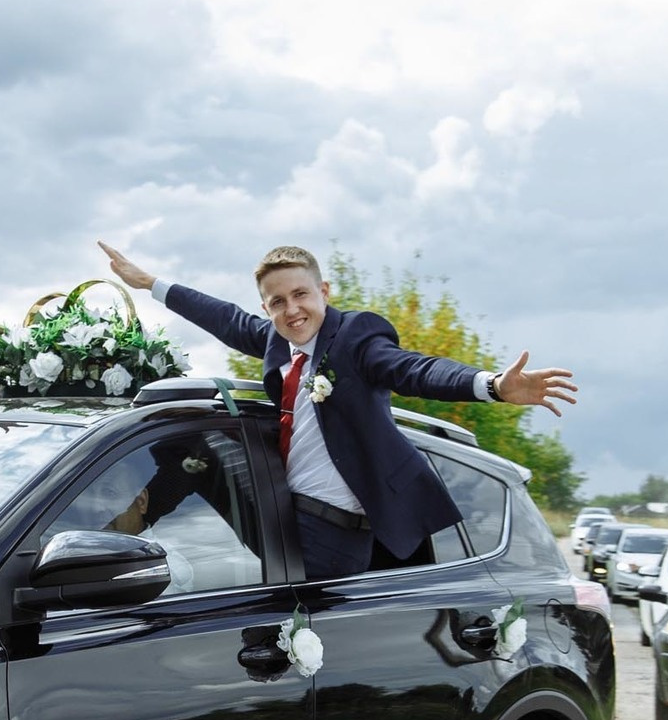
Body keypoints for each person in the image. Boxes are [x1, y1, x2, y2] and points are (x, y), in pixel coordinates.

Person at [98, 240, 577, 579]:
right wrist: (149, 283)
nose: (291, 310)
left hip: (333, 534)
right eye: (277, 302)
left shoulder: (356, 341)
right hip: (282, 514)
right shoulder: (277, 339)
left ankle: (127, 527)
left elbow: (414, 369)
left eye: (300, 295)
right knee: (195, 445)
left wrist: (490, 385)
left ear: (324, 291)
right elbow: (224, 317)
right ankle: (122, 530)